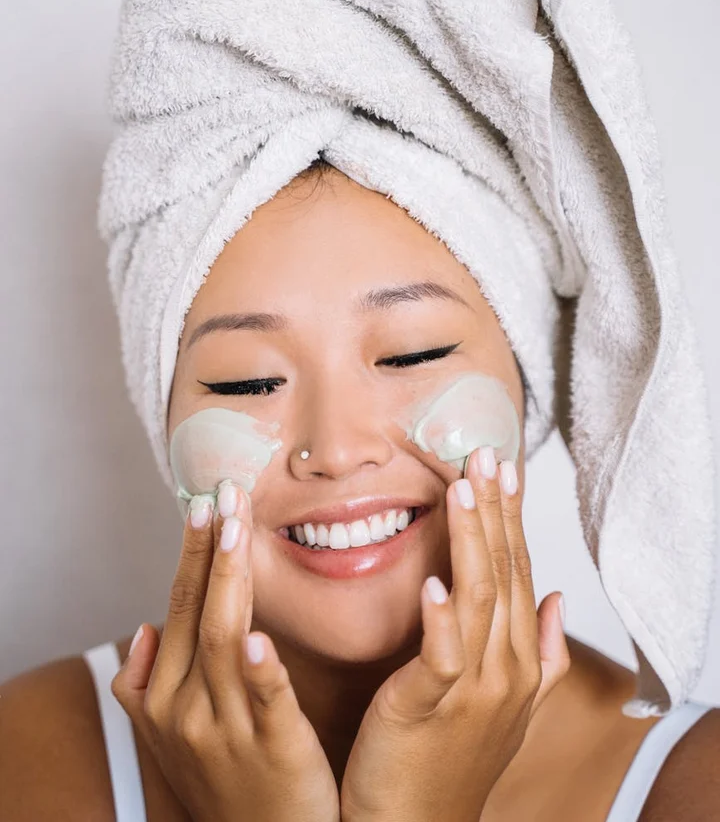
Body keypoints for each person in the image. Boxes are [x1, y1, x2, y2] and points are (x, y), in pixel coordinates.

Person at [0, 161, 717, 821]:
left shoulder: (695, 785)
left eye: (412, 354)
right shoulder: (28, 760)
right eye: (247, 381)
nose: (337, 451)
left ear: (528, 389)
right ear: (163, 422)